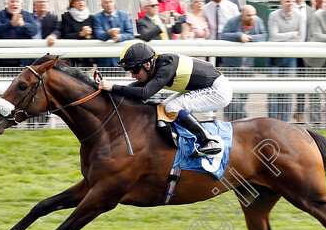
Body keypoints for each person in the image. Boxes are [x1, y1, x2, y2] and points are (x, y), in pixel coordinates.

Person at [97, 41, 233, 158]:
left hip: (219, 90)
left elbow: (144, 93)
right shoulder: (155, 65)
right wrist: (112, 90)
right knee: (163, 108)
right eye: (130, 71)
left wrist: (113, 87)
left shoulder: (166, 66)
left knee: (173, 107)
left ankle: (209, 141)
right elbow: (136, 87)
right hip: (204, 87)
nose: (133, 75)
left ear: (148, 64)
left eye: (135, 70)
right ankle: (175, 144)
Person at [267, 0, 301, 121]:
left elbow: (301, 38)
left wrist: (285, 37)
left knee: (288, 91)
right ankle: (272, 121)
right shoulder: (273, 15)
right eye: (287, 1)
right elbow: (274, 37)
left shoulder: (299, 16)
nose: (290, 3)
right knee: (273, 92)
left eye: (292, 1)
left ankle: (285, 121)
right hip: (274, 58)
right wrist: (293, 33)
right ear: (281, 3)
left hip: (290, 58)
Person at [0, 0, 39, 69]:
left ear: (21, 4)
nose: (15, 4)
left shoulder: (27, 15)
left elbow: (34, 31)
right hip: (4, 60)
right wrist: (11, 24)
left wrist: (23, 25)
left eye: (17, 2)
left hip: (24, 60)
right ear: (7, 3)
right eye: (12, 2)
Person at [92, 0, 134, 67]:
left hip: (120, 57)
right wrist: (109, 33)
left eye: (110, 2)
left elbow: (130, 33)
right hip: (104, 59)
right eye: (106, 2)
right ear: (101, 5)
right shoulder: (96, 17)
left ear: (114, 3)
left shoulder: (124, 15)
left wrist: (120, 37)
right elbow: (98, 34)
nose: (109, 5)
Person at [60, 0, 94, 65]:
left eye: (83, 0)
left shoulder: (91, 17)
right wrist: (81, 34)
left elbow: (95, 35)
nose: (81, 3)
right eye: (78, 0)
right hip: (71, 52)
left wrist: (89, 36)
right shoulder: (66, 16)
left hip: (86, 53)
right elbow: (65, 35)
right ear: (72, 3)